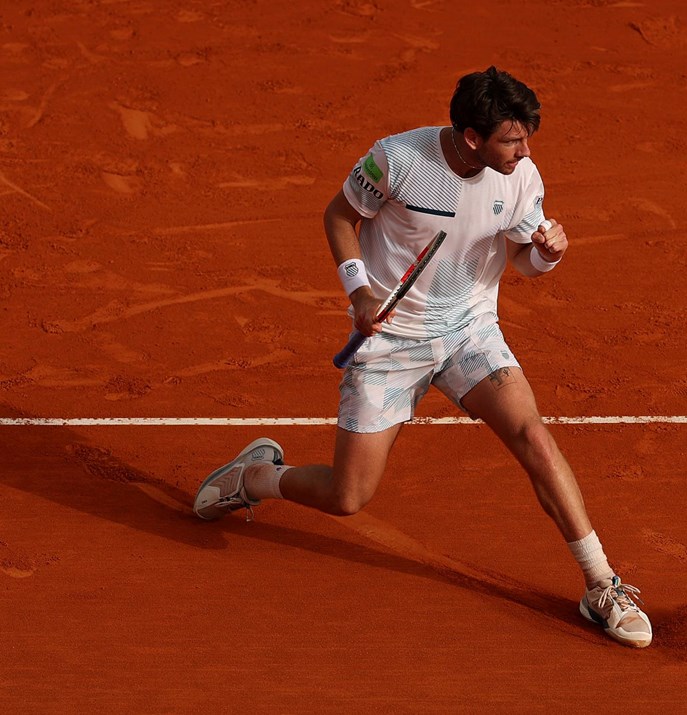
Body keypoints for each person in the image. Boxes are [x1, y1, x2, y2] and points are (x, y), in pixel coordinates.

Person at [193, 67, 652, 648]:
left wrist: (548, 256)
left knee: (532, 436)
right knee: (348, 496)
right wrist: (359, 291)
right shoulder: (397, 161)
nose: (525, 150)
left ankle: (601, 584)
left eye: (526, 137)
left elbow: (521, 261)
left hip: (468, 331)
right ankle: (255, 477)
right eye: (511, 139)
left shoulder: (521, 177)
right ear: (470, 137)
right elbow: (340, 216)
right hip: (389, 344)